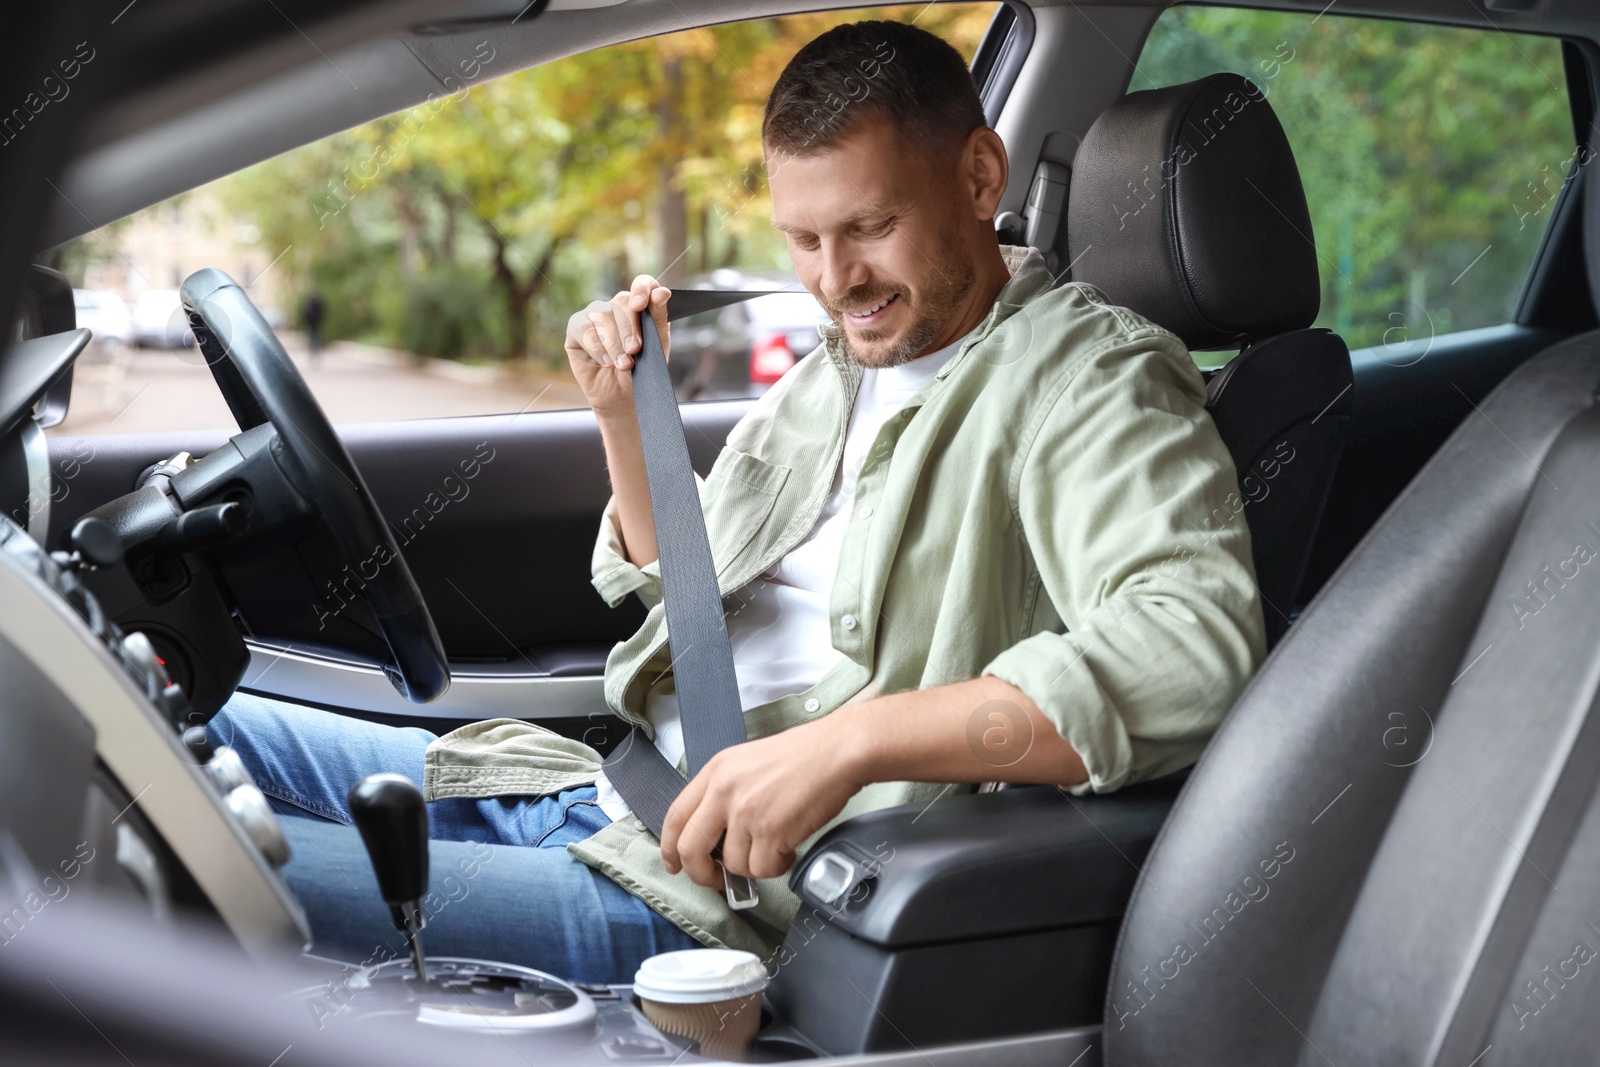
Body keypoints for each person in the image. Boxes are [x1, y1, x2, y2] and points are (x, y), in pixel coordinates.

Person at [211, 20, 1265, 986]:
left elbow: (1190, 651)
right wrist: (624, 420)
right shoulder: (833, 370)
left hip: (709, 902)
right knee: (183, 720)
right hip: (600, 790)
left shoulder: (1093, 381)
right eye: (802, 239)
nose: (835, 278)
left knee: (189, 868)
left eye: (870, 225)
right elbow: (686, 599)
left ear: (979, 174)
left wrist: (850, 742)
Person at [301, 290, 325, 367]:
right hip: (316, 325)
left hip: (311, 325)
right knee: (315, 339)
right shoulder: (318, 304)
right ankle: (315, 353)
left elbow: (305, 314)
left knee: (312, 339)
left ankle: (312, 353)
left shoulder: (309, 304)